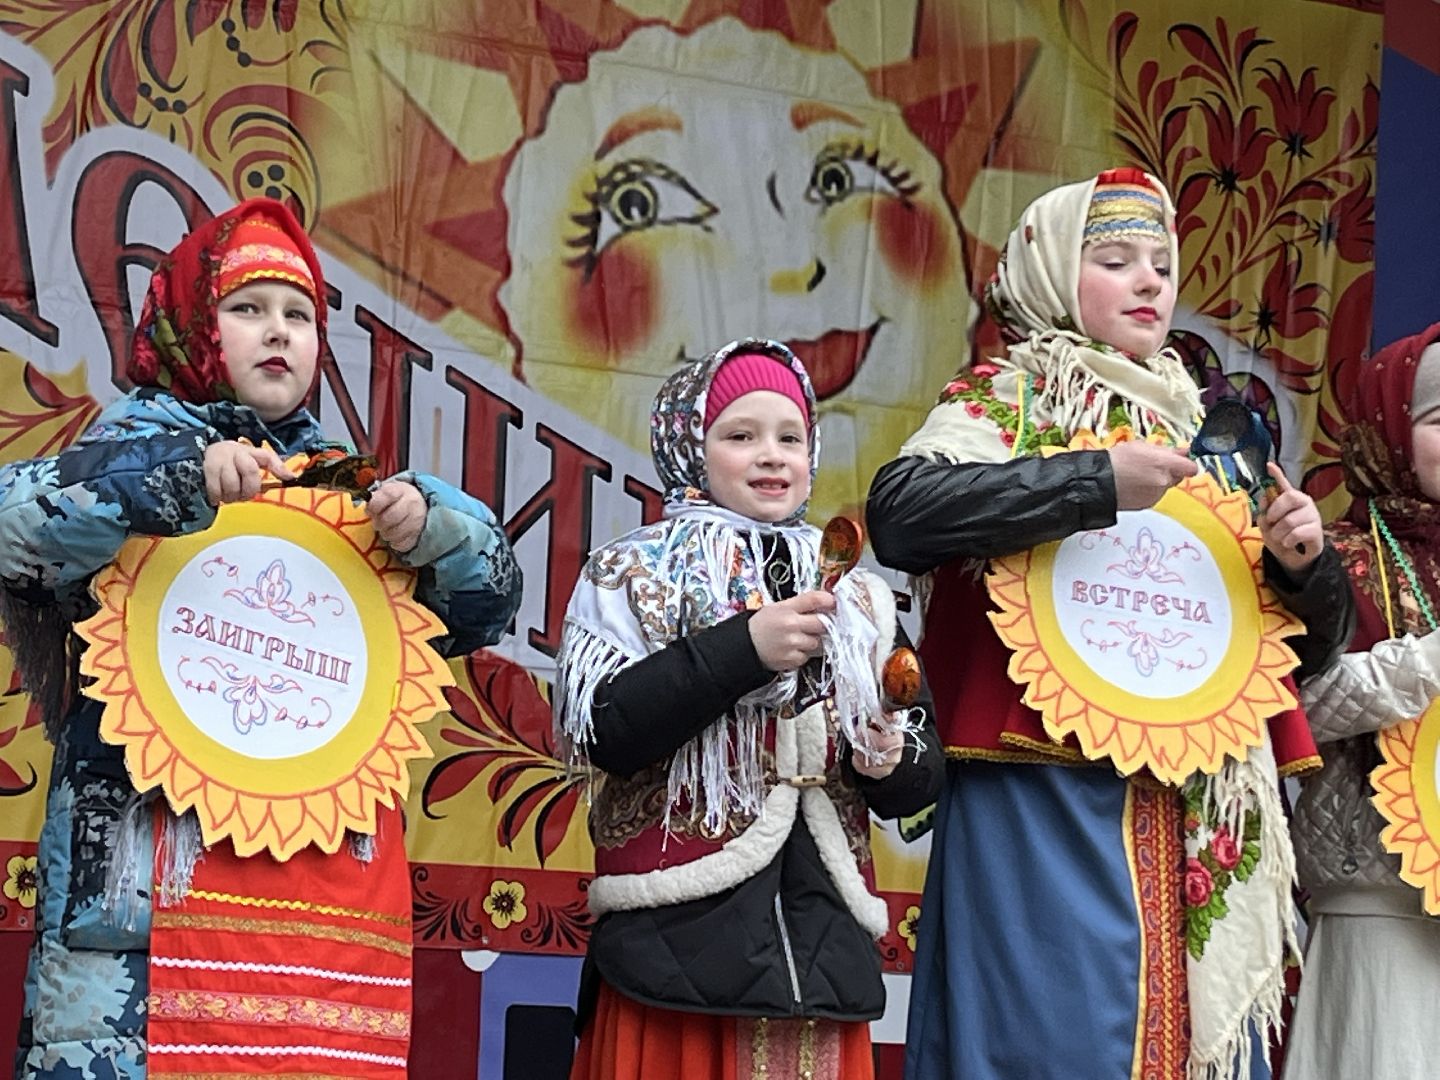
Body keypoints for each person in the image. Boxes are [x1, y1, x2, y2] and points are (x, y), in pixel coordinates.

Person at [1, 198, 521, 1077]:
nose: (278, 332)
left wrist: (436, 530)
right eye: (247, 309)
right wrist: (176, 483)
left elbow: (489, 605)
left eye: (300, 315)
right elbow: (16, 519)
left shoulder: (348, 492)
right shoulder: (128, 454)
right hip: (140, 938)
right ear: (193, 325)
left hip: (312, 948)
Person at [864, 169, 1354, 1078]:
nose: (1148, 283)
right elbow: (900, 511)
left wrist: (1304, 567)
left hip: (1191, 796)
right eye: (1116, 259)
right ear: (1051, 273)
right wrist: (1094, 480)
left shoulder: (1208, 434)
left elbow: (1292, 657)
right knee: (1041, 1041)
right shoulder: (1008, 402)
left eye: (1162, 265)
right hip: (1042, 795)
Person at [554, 339, 943, 1080]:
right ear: (688, 447)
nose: (771, 455)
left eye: (789, 437)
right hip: (677, 935)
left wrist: (889, 758)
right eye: (740, 436)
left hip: (823, 944)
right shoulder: (632, 571)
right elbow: (605, 730)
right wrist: (744, 650)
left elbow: (920, 778)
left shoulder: (861, 598)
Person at [1282, 327, 1440, 1079]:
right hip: (1379, 906)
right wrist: (1429, 664)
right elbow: (1292, 710)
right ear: (1387, 429)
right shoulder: (1331, 560)